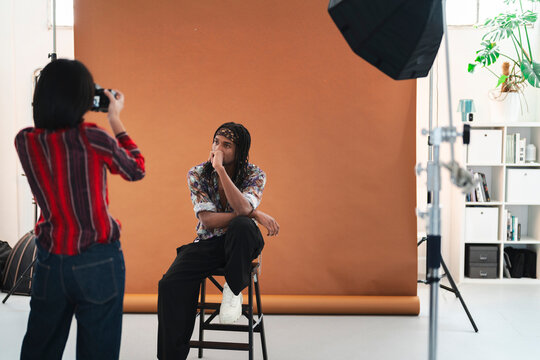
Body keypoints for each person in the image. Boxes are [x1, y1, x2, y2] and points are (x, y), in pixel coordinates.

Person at [15, 59, 145, 360]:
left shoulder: (24, 141)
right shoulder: (93, 137)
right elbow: (136, 169)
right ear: (83, 98)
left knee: (40, 349)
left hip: (49, 260)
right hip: (97, 258)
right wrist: (115, 118)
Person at [157, 122, 279, 359]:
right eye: (216, 142)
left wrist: (222, 172)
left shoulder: (255, 174)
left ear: (240, 150)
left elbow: (242, 209)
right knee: (169, 284)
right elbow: (208, 220)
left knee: (241, 225)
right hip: (209, 243)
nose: (218, 149)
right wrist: (256, 213)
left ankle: (234, 290)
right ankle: (171, 356)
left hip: (242, 243)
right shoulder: (198, 173)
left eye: (227, 145)